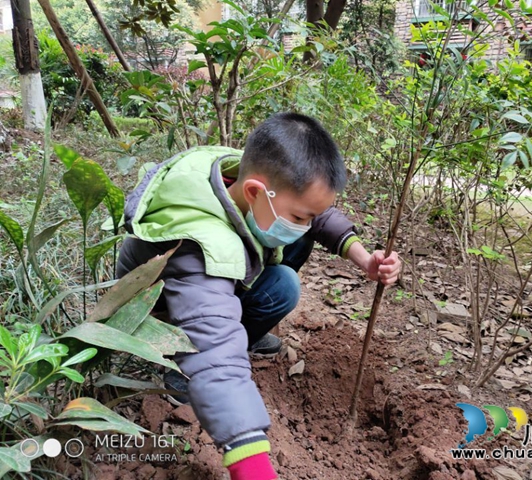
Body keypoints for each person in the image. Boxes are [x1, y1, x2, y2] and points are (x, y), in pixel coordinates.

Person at [116, 112, 401, 480]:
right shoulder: (197, 246)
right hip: (162, 308)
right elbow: (216, 355)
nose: (307, 224)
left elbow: (317, 212)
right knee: (273, 293)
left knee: (289, 257)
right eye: (300, 216)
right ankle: (176, 370)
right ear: (254, 191)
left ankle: (243, 324)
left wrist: (364, 258)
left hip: (214, 272)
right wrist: (251, 463)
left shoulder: (246, 173)